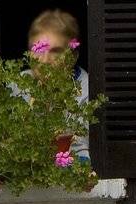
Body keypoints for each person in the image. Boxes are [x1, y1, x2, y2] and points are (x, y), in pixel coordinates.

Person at [27, 9, 91, 162]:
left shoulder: (86, 88)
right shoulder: (19, 83)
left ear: (73, 56)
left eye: (55, 51)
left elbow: (80, 154)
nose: (45, 60)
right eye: (38, 50)